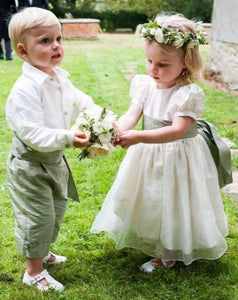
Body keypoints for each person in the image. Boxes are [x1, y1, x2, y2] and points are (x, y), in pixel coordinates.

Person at [90, 13, 231, 271]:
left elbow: (177, 131)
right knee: (151, 195)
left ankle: (168, 251)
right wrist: (117, 129)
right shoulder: (145, 86)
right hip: (149, 154)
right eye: (149, 61)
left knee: (173, 197)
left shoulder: (187, 94)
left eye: (163, 64)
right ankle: (153, 238)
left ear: (186, 63)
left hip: (179, 156)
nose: (153, 69)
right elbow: (133, 114)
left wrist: (138, 137)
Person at [6, 7, 94, 291]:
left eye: (58, 38)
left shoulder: (58, 77)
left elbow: (80, 100)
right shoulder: (24, 90)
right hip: (30, 165)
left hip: (54, 160)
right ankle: (33, 271)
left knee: (56, 209)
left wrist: (98, 117)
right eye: (45, 41)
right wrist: (69, 136)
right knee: (38, 215)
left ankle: (41, 251)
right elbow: (32, 133)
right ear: (23, 51)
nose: (56, 46)